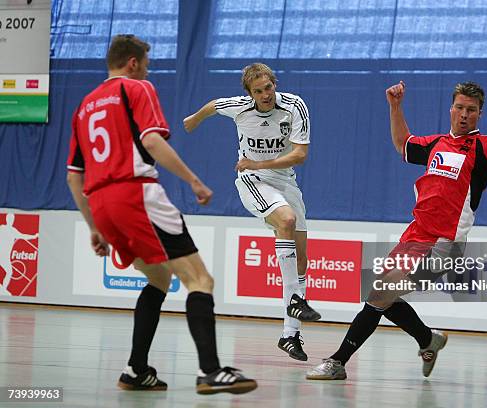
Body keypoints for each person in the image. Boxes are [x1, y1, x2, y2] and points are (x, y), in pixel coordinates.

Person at [306, 80, 487, 380]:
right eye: (460, 108)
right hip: (415, 236)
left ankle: (337, 362)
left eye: (472, 110)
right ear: (451, 109)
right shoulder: (437, 143)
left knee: (380, 294)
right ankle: (428, 340)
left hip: (444, 243)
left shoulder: (485, 148)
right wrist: (395, 106)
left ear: (480, 114)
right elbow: (404, 144)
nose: (465, 114)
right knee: (381, 295)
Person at [66, 34, 257, 395]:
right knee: (200, 280)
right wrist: (195, 181)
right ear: (133, 63)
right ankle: (211, 371)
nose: (148, 70)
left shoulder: (84, 106)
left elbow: (73, 176)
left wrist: (93, 226)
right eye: (148, 64)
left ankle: (136, 370)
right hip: (136, 194)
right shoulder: (137, 88)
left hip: (102, 203)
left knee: (157, 279)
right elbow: (153, 141)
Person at [183, 63, 321, 362]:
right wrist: (194, 119)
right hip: (252, 180)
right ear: (250, 94)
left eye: (268, 87)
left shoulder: (294, 105)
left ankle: (289, 335)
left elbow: (300, 155)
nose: (265, 95)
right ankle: (296, 300)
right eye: (258, 91)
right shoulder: (240, 108)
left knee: (302, 259)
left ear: (275, 84)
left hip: (284, 181)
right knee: (286, 220)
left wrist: (257, 163)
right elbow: (214, 106)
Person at [0, 213, 38, 295]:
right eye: (10, 219)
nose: (11, 220)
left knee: (9, 272)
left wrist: (34, 236)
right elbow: (23, 236)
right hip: (2, 255)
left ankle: (3, 290)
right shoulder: (3, 228)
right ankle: (3, 289)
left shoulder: (7, 229)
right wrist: (34, 236)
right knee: (9, 272)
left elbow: (23, 236)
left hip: (5, 257)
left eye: (12, 219)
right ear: (8, 220)